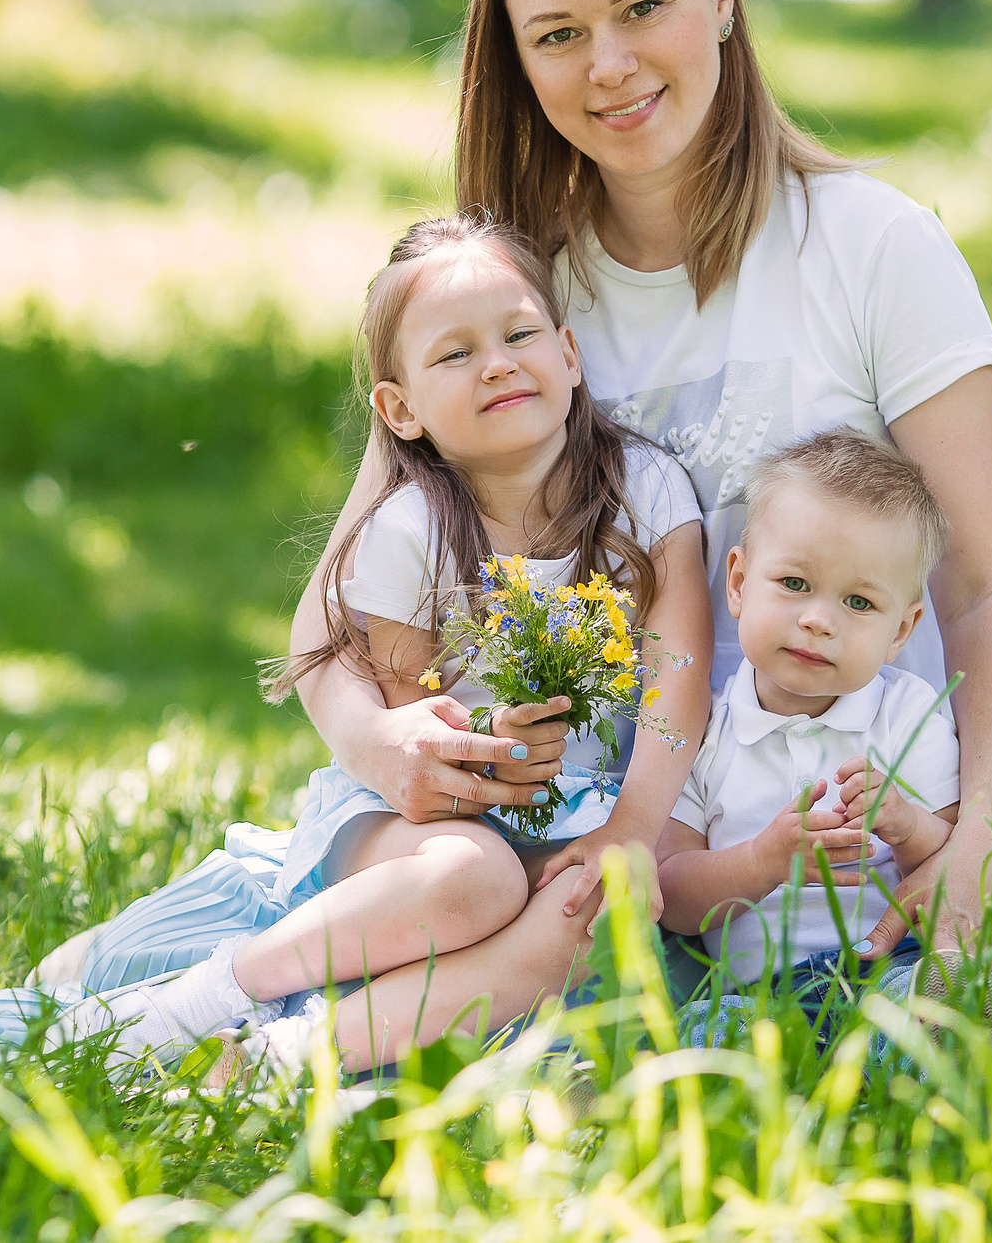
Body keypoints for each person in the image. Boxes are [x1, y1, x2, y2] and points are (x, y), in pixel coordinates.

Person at [49, 0, 992, 1060]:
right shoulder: (509, 302)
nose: (609, 66)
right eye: (558, 35)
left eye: (643, 9)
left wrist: (980, 850)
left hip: (810, 852)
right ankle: (181, 1027)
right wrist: (383, 748)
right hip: (559, 842)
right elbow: (330, 619)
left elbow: (987, 587)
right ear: (516, 64)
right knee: (350, 977)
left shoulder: (874, 249)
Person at [58, 214, 714, 1073]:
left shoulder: (648, 489)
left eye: (520, 335)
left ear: (569, 355)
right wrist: (504, 769)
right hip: (436, 814)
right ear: (399, 408)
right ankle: (213, 993)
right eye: (455, 354)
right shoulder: (413, 530)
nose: (498, 362)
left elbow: (680, 672)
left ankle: (289, 1060)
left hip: (595, 806)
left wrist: (630, 825)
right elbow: (420, 728)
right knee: (476, 881)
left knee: (596, 910)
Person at [654, 429, 961, 1038]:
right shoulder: (705, 728)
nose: (818, 620)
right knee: (705, 1038)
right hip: (753, 994)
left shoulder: (907, 714)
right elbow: (673, 894)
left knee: (938, 995)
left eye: (858, 602)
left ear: (902, 630)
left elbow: (958, 864)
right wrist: (762, 861)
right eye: (794, 584)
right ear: (738, 583)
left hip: (887, 970)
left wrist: (907, 825)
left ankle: (928, 1048)